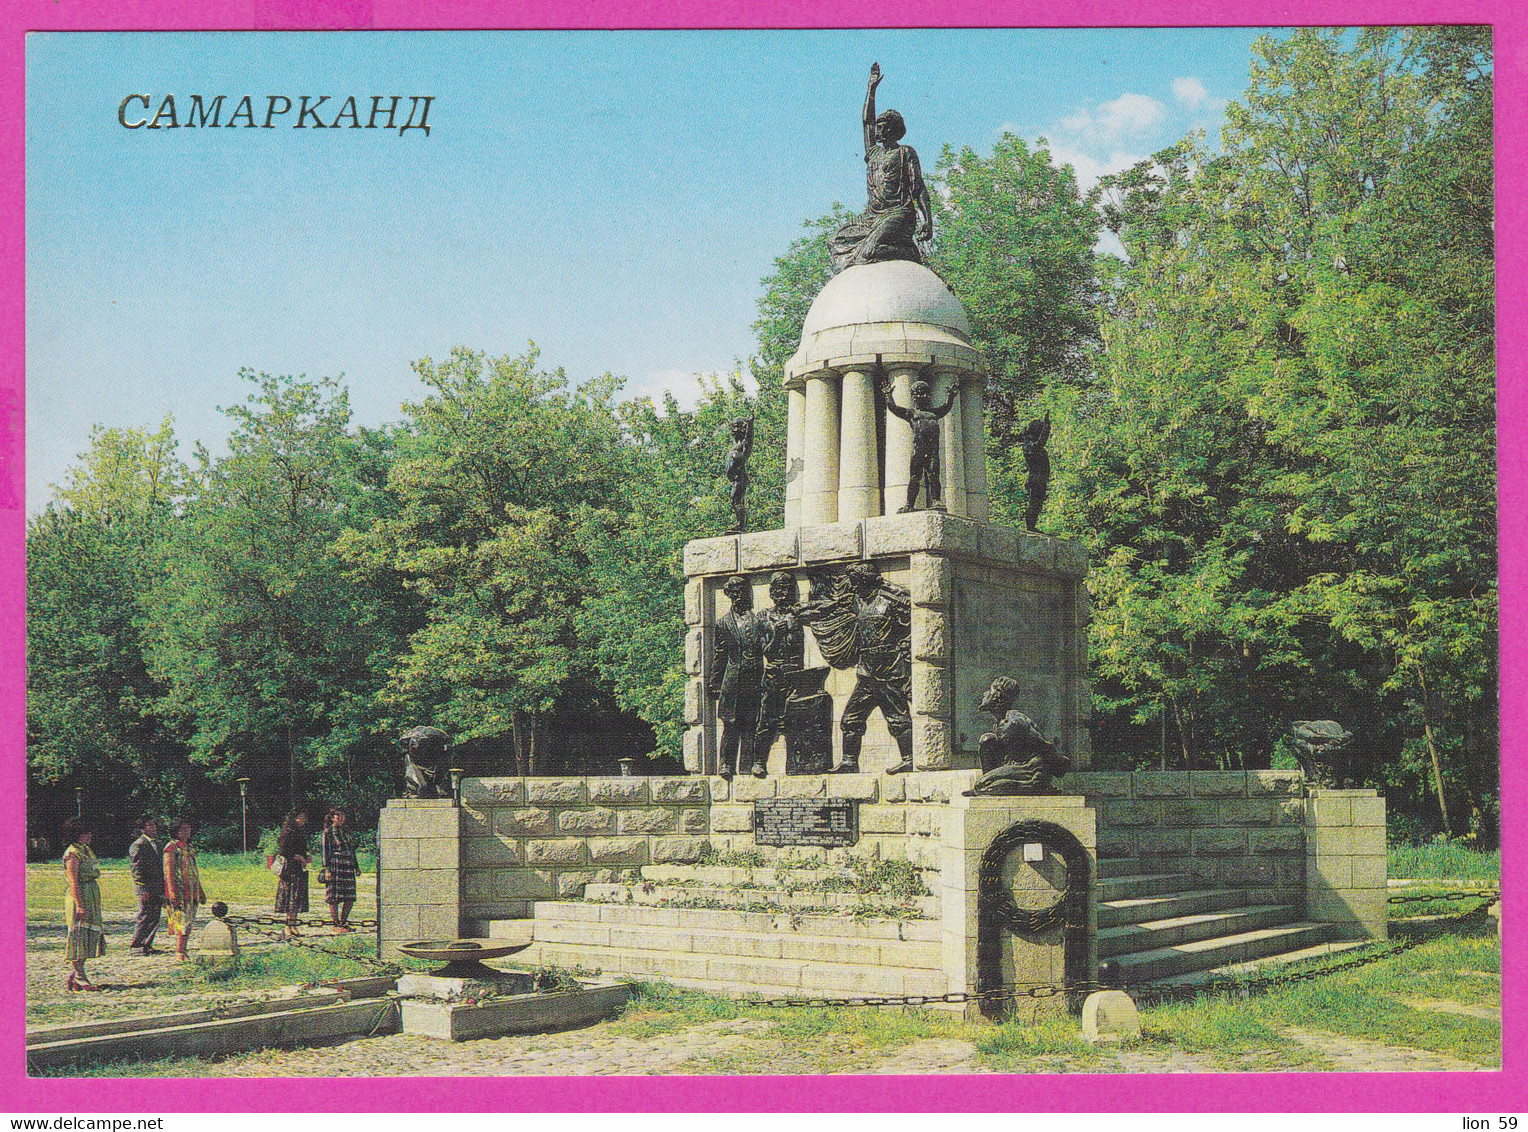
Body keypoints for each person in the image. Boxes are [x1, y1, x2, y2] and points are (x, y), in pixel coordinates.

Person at [829, 63, 933, 273]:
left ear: (892, 129)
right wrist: (871, 89)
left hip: (898, 214)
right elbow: (866, 122)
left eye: (882, 126)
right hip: (872, 216)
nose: (876, 129)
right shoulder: (873, 153)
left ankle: (908, 252)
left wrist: (928, 220)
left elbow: (919, 187)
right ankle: (901, 248)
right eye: (877, 126)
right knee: (836, 241)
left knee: (870, 250)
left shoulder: (905, 152)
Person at [708, 575, 766, 779]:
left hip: (754, 679)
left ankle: (747, 766)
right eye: (734, 592)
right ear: (729, 595)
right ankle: (725, 764)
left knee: (751, 724)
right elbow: (720, 654)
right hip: (732, 680)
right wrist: (715, 682)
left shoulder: (757, 620)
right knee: (730, 724)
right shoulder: (723, 623)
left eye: (742, 591)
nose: (739, 595)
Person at [883, 376, 959, 512]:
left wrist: (951, 396)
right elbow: (894, 408)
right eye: (919, 394)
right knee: (915, 477)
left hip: (932, 450)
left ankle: (936, 500)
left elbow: (946, 407)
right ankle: (909, 504)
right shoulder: (911, 413)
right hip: (918, 449)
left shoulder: (934, 412)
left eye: (925, 394)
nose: (923, 397)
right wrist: (888, 395)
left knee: (934, 475)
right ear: (914, 397)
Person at [61, 817, 105, 990]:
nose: (90, 835)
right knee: (79, 934)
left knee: (89, 934)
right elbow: (73, 881)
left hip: (91, 894)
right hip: (80, 895)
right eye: (86, 833)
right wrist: (79, 904)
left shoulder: (85, 850)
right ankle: (80, 975)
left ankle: (77, 973)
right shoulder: (73, 853)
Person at [162, 817, 205, 961]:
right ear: (176, 831)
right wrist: (172, 892)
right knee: (181, 920)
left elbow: (194, 870)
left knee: (190, 920)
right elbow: (168, 871)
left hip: (191, 889)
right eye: (182, 829)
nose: (186, 832)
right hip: (179, 890)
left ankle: (184, 949)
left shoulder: (189, 847)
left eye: (188, 828)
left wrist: (200, 890)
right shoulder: (171, 847)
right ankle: (179, 951)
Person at [127, 815, 165, 955]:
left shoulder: (158, 844)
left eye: (154, 825)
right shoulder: (138, 845)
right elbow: (136, 869)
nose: (153, 828)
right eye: (150, 825)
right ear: (142, 829)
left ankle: (147, 944)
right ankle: (137, 945)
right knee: (144, 916)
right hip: (146, 887)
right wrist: (142, 889)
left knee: (155, 916)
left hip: (157, 886)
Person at [319, 807, 359, 934]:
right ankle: (335, 923)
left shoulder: (346, 831)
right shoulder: (328, 832)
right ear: (332, 818)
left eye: (343, 815)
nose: (341, 818)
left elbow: (352, 849)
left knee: (349, 896)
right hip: (335, 865)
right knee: (334, 896)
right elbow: (325, 851)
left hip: (348, 865)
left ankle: (343, 922)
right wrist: (327, 869)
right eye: (338, 815)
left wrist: (356, 866)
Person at [274, 809, 312, 939]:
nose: (302, 820)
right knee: (290, 898)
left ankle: (293, 925)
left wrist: (306, 857)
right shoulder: (288, 832)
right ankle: (287, 926)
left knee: (297, 898)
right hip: (289, 870)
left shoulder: (301, 832)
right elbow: (283, 851)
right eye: (300, 817)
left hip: (299, 869)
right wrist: (297, 857)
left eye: (304, 818)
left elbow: (303, 849)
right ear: (293, 818)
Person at [723, 415, 754, 534]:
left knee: (736, 501)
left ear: (742, 428)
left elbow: (749, 438)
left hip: (740, 478)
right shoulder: (736, 443)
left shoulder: (744, 444)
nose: (734, 430)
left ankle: (741, 525)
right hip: (735, 479)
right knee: (734, 501)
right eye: (733, 427)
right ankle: (740, 524)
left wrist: (750, 425)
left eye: (737, 427)